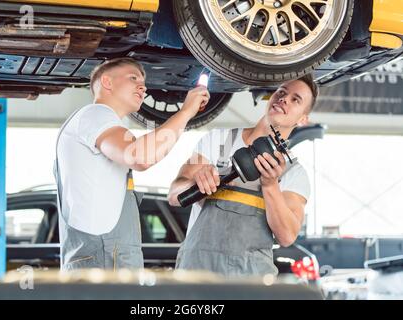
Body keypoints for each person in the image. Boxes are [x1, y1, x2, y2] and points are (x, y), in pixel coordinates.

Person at [54, 57, 209, 271]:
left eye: (143, 81)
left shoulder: (100, 122)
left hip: (105, 257)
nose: (143, 87)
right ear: (107, 82)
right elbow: (140, 156)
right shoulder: (96, 114)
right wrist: (185, 113)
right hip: (103, 262)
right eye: (133, 77)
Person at [168, 74, 318, 277]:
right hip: (196, 274)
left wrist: (270, 185)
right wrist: (195, 182)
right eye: (281, 92)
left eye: (295, 99)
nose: (284, 99)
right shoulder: (218, 140)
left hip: (250, 282)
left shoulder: (294, 173)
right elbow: (174, 195)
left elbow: (287, 236)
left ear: (303, 119)